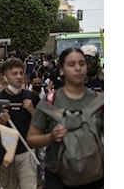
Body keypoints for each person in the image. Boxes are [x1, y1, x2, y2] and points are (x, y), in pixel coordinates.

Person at [27, 48, 103, 188]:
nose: (78, 68)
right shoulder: (50, 101)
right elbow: (31, 139)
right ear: (61, 69)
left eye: (82, 63)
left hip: (94, 176)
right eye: (71, 64)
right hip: (58, 177)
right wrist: (50, 137)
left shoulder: (99, 101)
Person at [0, 57, 40, 189]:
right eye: (14, 74)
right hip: (5, 154)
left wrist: (32, 111)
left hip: (27, 152)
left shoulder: (32, 97)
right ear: (4, 76)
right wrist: (1, 120)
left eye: (21, 73)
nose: (19, 77)